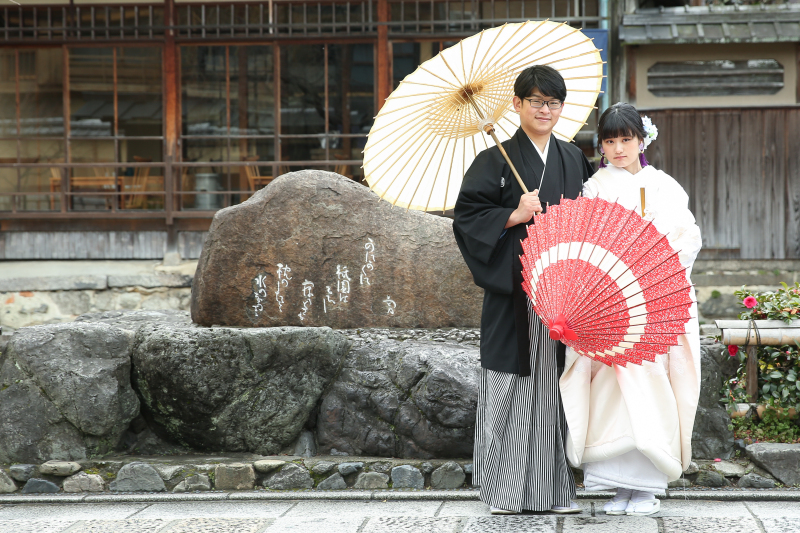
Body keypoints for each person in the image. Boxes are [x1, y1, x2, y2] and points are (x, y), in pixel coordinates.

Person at [453, 65, 595, 515]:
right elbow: (467, 219)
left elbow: (592, 219)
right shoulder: (492, 160)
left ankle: (554, 492)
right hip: (514, 294)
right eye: (536, 101)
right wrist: (514, 215)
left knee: (555, 390)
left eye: (553, 102)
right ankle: (505, 492)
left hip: (562, 296)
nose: (545, 109)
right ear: (516, 105)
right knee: (509, 386)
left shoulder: (573, 158)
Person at [558, 103, 702, 516]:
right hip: (612, 303)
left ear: (642, 140)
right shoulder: (595, 186)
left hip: (657, 299)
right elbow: (586, 237)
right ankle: (617, 486)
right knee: (609, 390)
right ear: (600, 145)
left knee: (654, 383)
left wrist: (653, 260)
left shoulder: (666, 186)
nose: (618, 148)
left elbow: (686, 237)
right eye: (610, 140)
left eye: (626, 139)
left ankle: (647, 486)